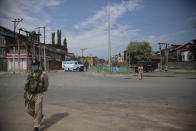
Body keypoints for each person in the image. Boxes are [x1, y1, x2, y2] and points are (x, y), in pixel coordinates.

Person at [24, 60, 49, 131]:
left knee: (38, 110)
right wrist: (26, 92)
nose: (34, 67)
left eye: (35, 65)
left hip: (39, 94)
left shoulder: (43, 74)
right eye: (33, 65)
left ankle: (36, 126)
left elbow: (46, 84)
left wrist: (42, 91)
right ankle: (39, 116)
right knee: (28, 109)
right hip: (30, 94)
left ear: (38, 66)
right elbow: (27, 82)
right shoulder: (30, 73)